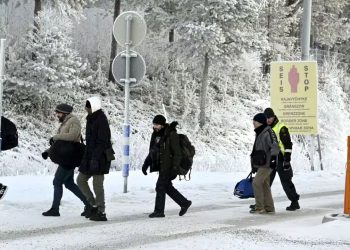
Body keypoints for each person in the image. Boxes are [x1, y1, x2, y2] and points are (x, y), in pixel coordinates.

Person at [42, 104, 92, 217]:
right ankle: (89, 205)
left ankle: (55, 209)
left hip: (69, 158)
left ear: (64, 113)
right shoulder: (66, 122)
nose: (57, 115)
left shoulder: (73, 121)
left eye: (58, 113)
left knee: (57, 182)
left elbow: (72, 137)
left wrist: (55, 137)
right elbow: (61, 144)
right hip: (67, 156)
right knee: (69, 183)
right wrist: (48, 151)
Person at [142, 115, 192, 218]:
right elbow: (153, 151)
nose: (155, 126)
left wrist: (174, 167)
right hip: (162, 167)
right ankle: (184, 203)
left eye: (157, 125)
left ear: (162, 125)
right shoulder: (155, 135)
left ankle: (159, 211)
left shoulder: (171, 134)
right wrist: (146, 164)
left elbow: (177, 153)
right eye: (154, 124)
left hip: (169, 167)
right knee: (167, 187)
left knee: (160, 186)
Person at [77, 96, 114, 222]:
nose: (86, 109)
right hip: (90, 155)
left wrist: (95, 158)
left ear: (94, 106)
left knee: (97, 184)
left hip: (101, 157)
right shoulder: (91, 118)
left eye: (88, 106)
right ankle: (93, 205)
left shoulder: (101, 120)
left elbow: (103, 141)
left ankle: (101, 210)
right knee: (81, 180)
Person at [264, 107, 300, 211]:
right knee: (265, 182)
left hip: (281, 159)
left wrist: (287, 160)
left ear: (273, 116)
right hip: (270, 160)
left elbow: (288, 145)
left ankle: (294, 202)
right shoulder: (266, 129)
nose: (268, 120)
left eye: (270, 117)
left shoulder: (281, 127)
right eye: (266, 118)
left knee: (286, 182)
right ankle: (262, 203)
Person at [250, 113, 279, 214]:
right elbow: (256, 150)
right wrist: (253, 165)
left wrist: (273, 160)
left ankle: (259, 207)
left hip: (268, 163)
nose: (253, 123)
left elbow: (275, 146)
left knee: (256, 183)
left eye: (255, 122)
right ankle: (269, 207)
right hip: (262, 163)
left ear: (260, 122)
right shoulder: (260, 132)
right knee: (264, 184)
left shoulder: (268, 132)